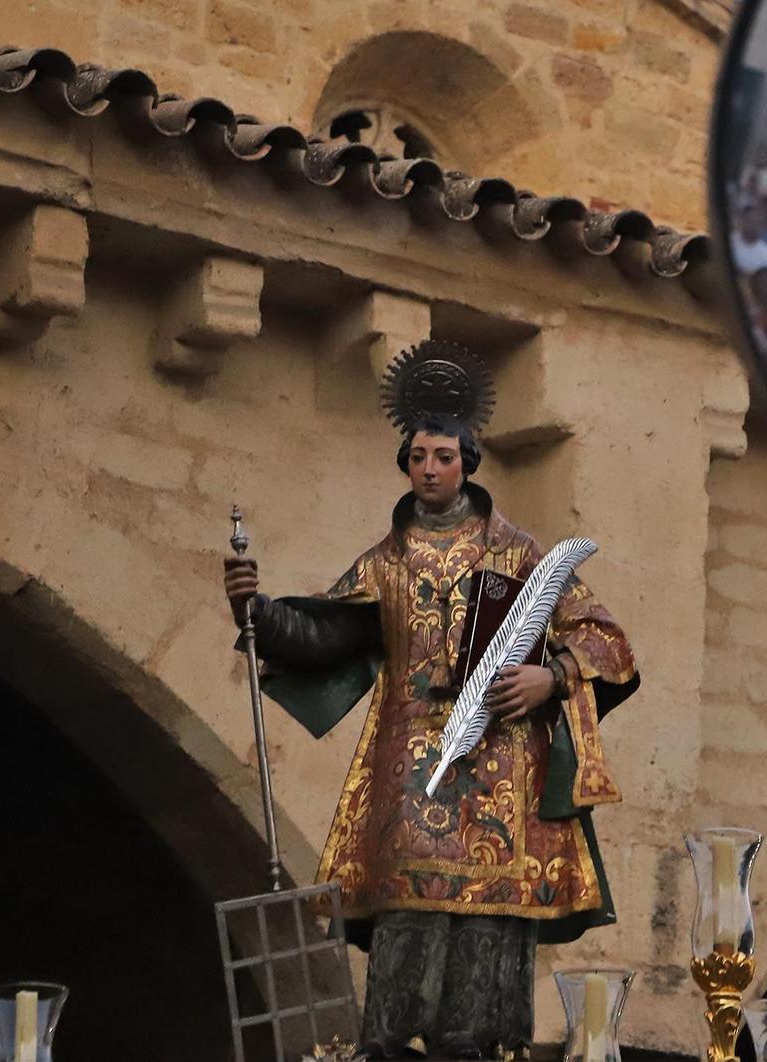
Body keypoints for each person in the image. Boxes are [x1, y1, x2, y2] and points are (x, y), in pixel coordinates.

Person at [222, 344, 637, 1060]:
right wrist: (252, 607)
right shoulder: (386, 561)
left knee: (487, 933)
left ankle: (479, 1046)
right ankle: (391, 1045)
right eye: (419, 456)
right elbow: (322, 636)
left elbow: (606, 640)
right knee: (409, 918)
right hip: (411, 779)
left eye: (444, 455)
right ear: (406, 464)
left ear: (467, 462)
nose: (431, 468)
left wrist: (553, 677)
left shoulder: (519, 555)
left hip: (503, 780)